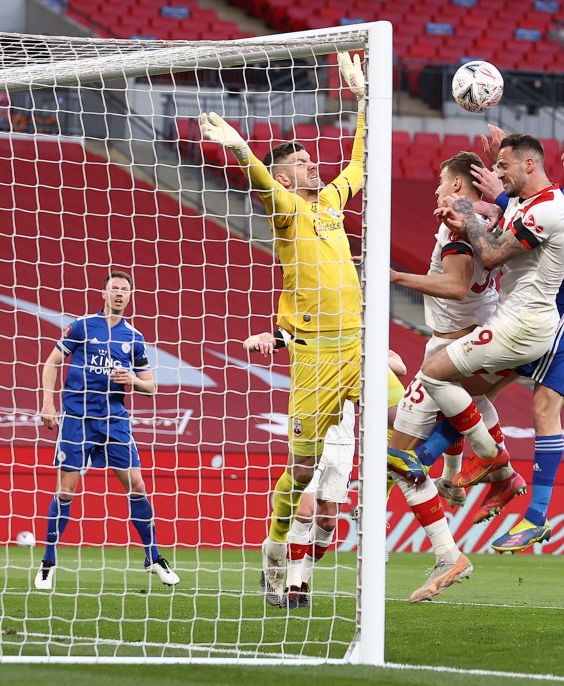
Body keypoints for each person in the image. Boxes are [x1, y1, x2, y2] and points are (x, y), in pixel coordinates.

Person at [199, 52, 367, 606]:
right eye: (300, 161)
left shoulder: (332, 205)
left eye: (313, 159)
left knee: (412, 404)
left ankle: (460, 481)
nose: (314, 167)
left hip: (358, 346)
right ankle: (275, 554)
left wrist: (365, 99)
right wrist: (242, 148)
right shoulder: (287, 211)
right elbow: (262, 183)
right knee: (299, 472)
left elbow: (360, 166)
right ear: (284, 173)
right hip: (315, 355)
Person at [466, 120, 564, 552]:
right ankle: (486, 472)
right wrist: (510, 170)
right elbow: (533, 204)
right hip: (540, 304)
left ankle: (536, 516)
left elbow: (549, 224)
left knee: (543, 404)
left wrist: (501, 193)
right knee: (479, 384)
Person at [388, 151, 522, 599]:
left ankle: (450, 548)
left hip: (455, 345)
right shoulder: (492, 219)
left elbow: (455, 285)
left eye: (442, 182)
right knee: (454, 417)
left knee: (397, 457)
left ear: (460, 187)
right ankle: (492, 479)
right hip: (476, 338)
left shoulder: (458, 228)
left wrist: (395, 277)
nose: (436, 189)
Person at [415, 134, 564, 506]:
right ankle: (497, 476)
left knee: (432, 372)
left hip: (521, 327)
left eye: (503, 167)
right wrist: (483, 212)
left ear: (530, 165)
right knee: (467, 394)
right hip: (516, 322)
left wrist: (469, 213)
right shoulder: (526, 202)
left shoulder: (546, 209)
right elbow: (503, 221)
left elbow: (489, 255)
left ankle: (490, 458)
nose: (497, 176)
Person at [35, 271, 179, 590]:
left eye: (125, 290)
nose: (119, 294)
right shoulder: (82, 326)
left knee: (138, 486)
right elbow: (51, 362)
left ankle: (153, 557)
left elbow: (151, 386)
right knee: (66, 490)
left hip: (114, 421)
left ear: (130, 296)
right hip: (78, 418)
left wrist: (134, 381)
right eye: (114, 289)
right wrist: (47, 402)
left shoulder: (134, 337)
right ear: (103, 293)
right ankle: (48, 562)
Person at [243, 330, 408, 608]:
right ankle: (293, 586)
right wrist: (259, 342)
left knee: (328, 520)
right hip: (310, 432)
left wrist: (367, 359)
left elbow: (400, 366)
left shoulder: (358, 341)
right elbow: (264, 340)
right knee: (304, 512)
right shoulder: (302, 333)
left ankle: (302, 580)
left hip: (343, 440)